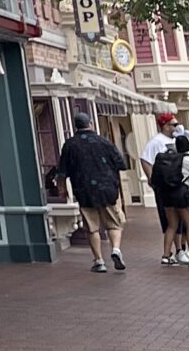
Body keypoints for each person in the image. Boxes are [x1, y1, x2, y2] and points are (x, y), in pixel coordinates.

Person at [51, 112, 131, 272]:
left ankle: (99, 260)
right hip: (107, 189)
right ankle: (115, 249)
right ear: (91, 124)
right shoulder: (104, 142)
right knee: (114, 223)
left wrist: (62, 190)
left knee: (92, 227)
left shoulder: (70, 145)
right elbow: (121, 164)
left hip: (84, 190)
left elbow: (62, 172)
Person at [152, 130, 189, 267]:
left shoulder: (169, 159)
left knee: (171, 225)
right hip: (183, 195)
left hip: (167, 195)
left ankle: (166, 255)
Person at [141, 112, 183, 258]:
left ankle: (181, 249)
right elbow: (145, 159)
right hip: (165, 186)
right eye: (174, 125)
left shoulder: (177, 140)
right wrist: (152, 179)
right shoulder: (156, 142)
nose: (177, 127)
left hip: (179, 185)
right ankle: (175, 250)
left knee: (182, 217)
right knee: (170, 219)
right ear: (166, 126)